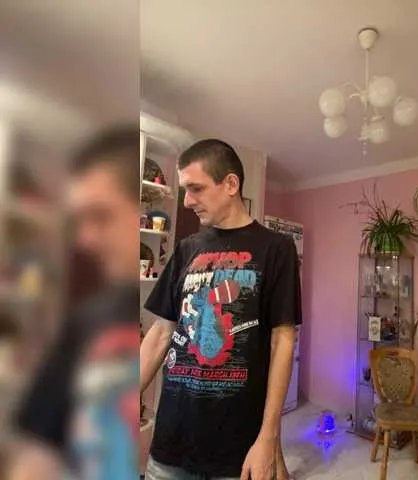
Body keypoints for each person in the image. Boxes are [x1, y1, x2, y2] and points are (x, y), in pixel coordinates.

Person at [140, 139, 301, 480]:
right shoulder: (186, 249)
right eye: (185, 190)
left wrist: (269, 438)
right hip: (171, 444)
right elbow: (160, 334)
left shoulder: (277, 248)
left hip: (237, 452)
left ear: (230, 184)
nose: (187, 201)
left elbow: (283, 342)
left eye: (196, 188)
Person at [9, 126, 140, 479]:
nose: (84, 239)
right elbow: (38, 452)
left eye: (100, 216)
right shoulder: (87, 320)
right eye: (80, 220)